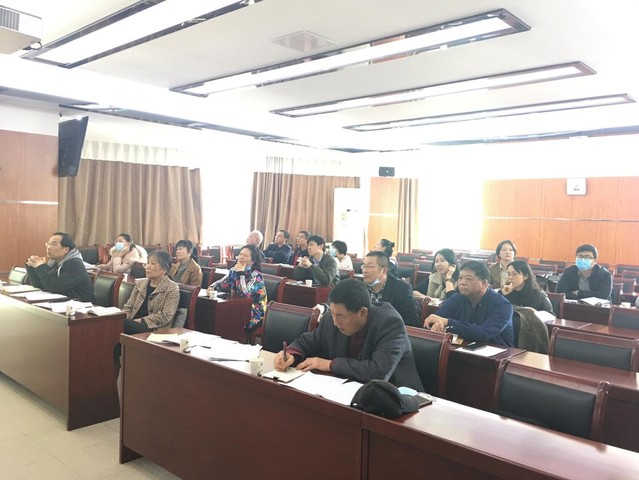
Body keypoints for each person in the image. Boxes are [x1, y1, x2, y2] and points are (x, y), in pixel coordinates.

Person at [273, 278, 423, 391]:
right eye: (333, 313)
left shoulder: (389, 323)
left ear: (362, 312)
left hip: (396, 398)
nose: (335, 321)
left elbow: (378, 372)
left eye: (341, 316)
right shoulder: (331, 319)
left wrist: (331, 364)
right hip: (346, 391)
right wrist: (291, 354)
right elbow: (307, 342)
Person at [424, 260, 514, 346]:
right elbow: (437, 317)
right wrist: (437, 325)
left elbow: (484, 333)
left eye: (468, 279)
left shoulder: (502, 305)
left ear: (484, 283)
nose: (462, 283)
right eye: (460, 278)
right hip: (464, 349)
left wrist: (447, 322)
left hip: (498, 354)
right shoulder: (457, 298)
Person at [210, 244, 267, 332]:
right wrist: (212, 287)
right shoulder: (234, 270)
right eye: (240, 254)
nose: (241, 257)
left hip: (254, 312)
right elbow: (222, 283)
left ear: (253, 261)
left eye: (245, 256)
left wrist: (241, 273)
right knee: (217, 314)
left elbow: (244, 294)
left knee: (229, 318)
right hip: (237, 306)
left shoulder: (256, 276)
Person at [25, 232, 95, 302]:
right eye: (48, 244)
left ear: (66, 249)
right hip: (64, 302)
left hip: (81, 304)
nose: (48, 247)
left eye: (54, 244)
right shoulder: (54, 262)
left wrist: (41, 267)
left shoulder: (75, 264)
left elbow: (54, 287)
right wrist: (33, 266)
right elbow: (40, 285)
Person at [122, 250, 179, 334]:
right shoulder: (141, 283)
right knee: (113, 322)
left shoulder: (172, 288)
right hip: (131, 323)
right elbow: (128, 306)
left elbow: (166, 316)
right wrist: (122, 318)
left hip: (153, 328)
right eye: (147, 263)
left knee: (122, 325)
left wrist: (141, 321)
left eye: (152, 264)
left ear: (164, 269)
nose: (147, 267)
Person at [362, 251, 419, 327]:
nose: (364, 271)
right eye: (364, 266)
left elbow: (413, 320)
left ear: (384, 271)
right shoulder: (359, 288)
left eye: (370, 267)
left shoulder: (402, 289)